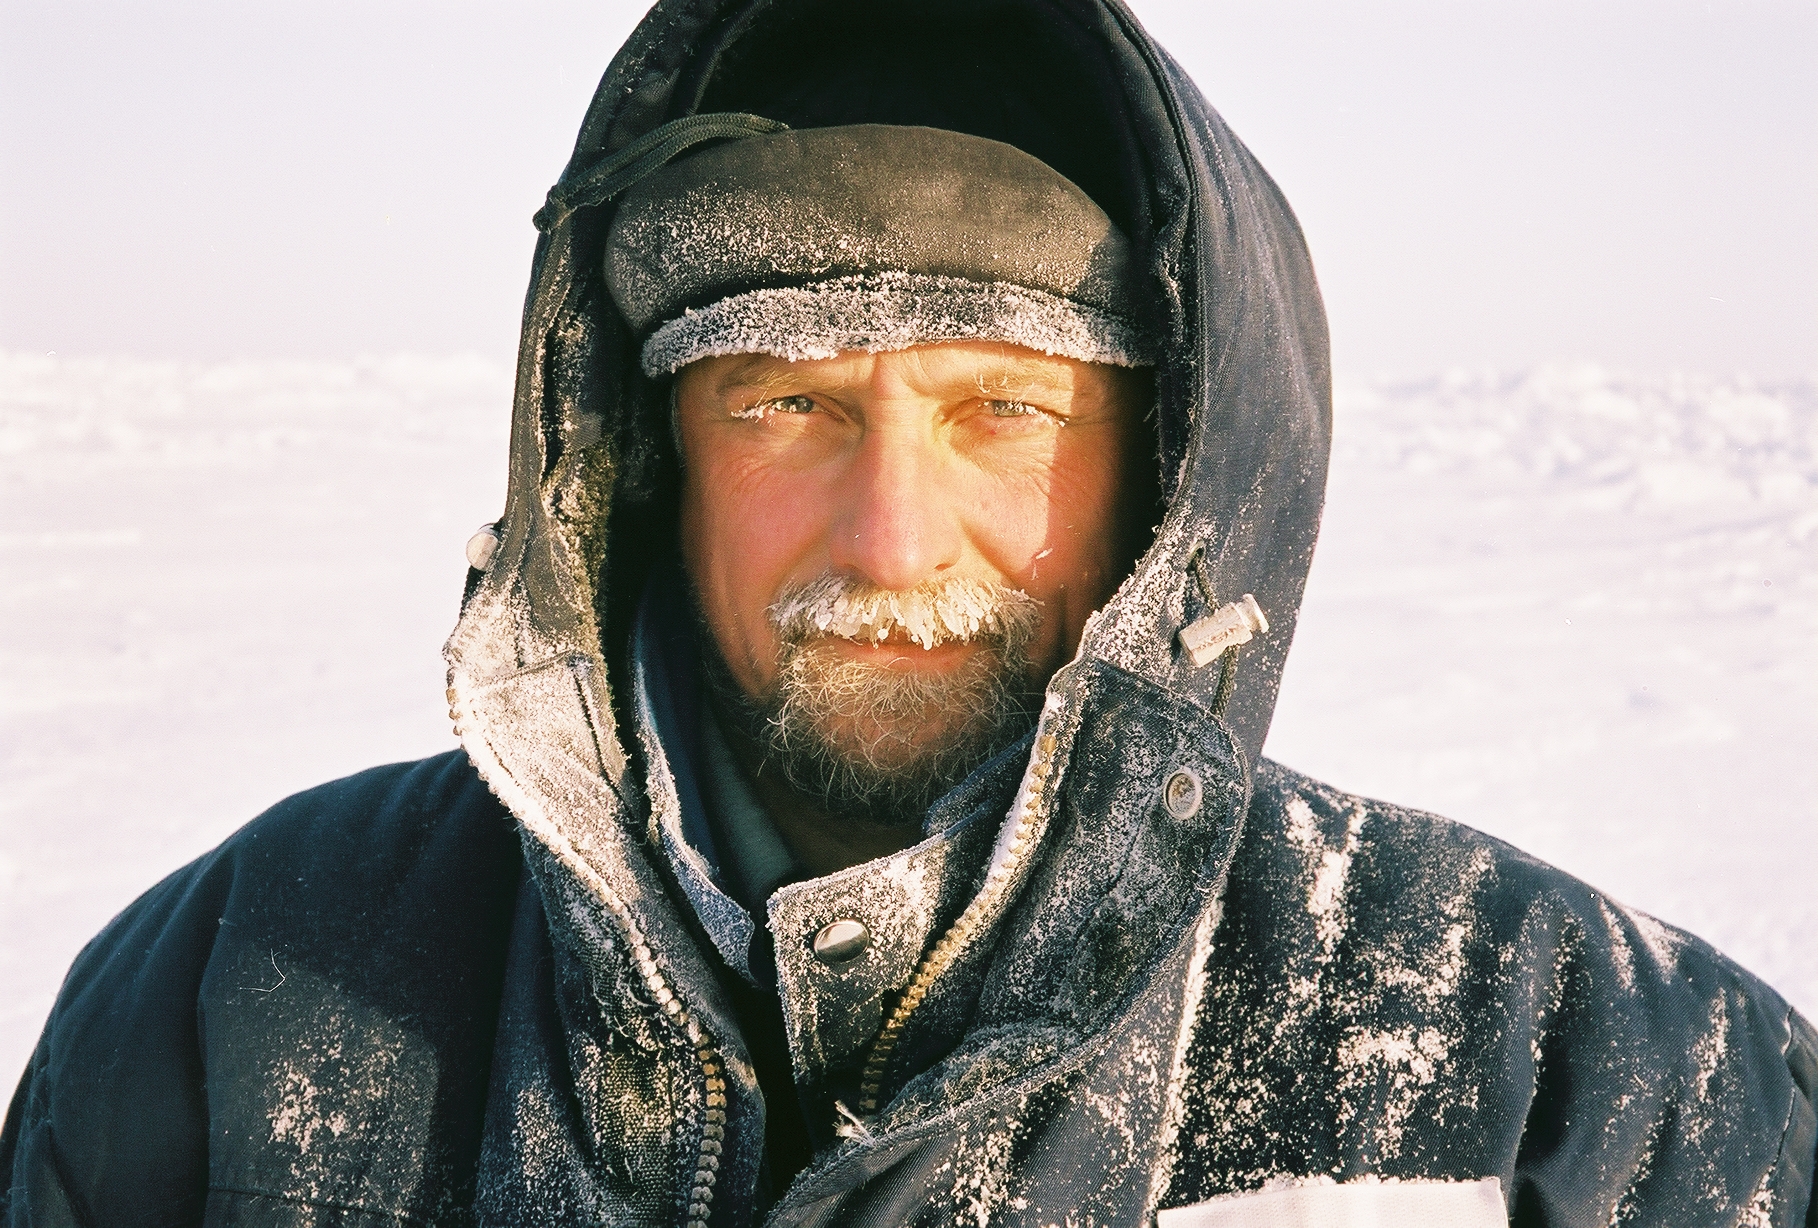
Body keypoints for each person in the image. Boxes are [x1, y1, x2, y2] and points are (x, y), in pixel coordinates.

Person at [4, 0, 1814, 1224]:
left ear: (1172, 470)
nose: (890, 536)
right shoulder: (234, 1007)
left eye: (1002, 410)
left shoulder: (1573, 1076)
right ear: (645, 457)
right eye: (785, 402)